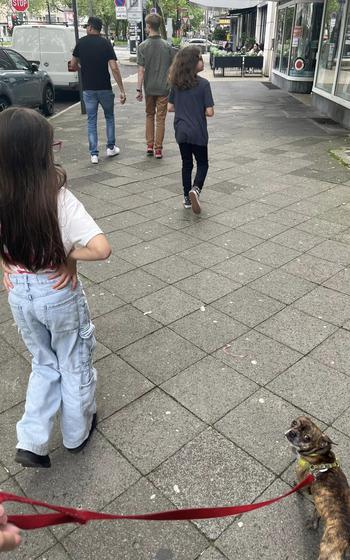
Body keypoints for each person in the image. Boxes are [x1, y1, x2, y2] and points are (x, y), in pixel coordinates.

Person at [0, 108, 111, 469]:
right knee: (73, 360)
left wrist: (7, 264)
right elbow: (101, 248)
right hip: (57, 293)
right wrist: (68, 255)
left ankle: (31, 440)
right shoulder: (59, 200)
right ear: (42, 155)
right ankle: (77, 434)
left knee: (43, 361)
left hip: (19, 293)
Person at [70, 16, 126, 165]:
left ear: (90, 27)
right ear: (100, 29)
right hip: (105, 88)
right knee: (109, 117)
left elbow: (73, 65)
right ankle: (110, 147)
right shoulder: (106, 44)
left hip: (88, 89)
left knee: (91, 121)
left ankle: (94, 154)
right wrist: (122, 90)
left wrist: (82, 68)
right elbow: (114, 68)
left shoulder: (81, 43)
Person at [168, 46, 214, 214]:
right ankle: (196, 189)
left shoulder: (176, 83)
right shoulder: (204, 84)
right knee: (202, 163)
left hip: (181, 130)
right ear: (193, 63)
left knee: (186, 164)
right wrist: (198, 109)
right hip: (198, 131)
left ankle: (187, 199)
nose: (202, 61)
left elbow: (170, 108)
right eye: (200, 58)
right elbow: (210, 112)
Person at [136, 13, 174, 159]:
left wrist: (139, 89)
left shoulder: (142, 46)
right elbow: (172, 68)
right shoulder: (167, 46)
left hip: (149, 88)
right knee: (161, 118)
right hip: (164, 88)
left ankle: (149, 145)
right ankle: (159, 149)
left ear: (149, 26)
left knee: (149, 115)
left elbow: (141, 70)